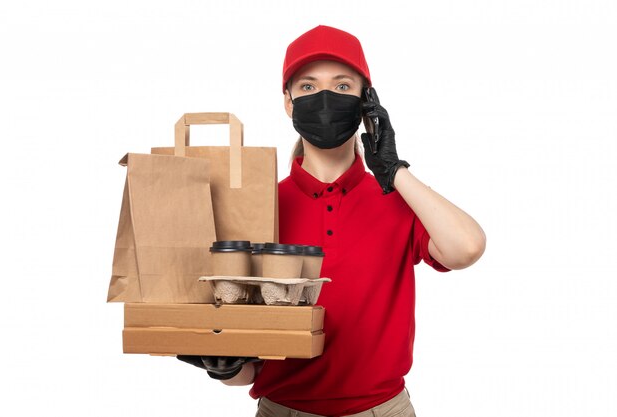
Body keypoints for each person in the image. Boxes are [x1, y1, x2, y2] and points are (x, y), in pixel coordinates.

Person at [178, 25, 486, 417]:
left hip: (382, 410)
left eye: (342, 87)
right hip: (283, 409)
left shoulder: (399, 200)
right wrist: (225, 367)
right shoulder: (258, 205)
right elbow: (250, 368)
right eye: (308, 87)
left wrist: (392, 170)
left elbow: (467, 247)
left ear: (366, 102)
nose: (324, 98)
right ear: (288, 103)